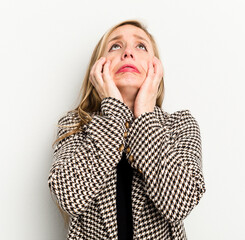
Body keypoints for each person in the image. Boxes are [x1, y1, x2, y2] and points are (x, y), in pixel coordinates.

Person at [48, 19, 206, 240]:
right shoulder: (74, 125)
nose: (128, 53)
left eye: (141, 46)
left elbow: (180, 203)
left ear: (155, 66)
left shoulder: (180, 124)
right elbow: (70, 197)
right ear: (98, 67)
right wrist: (114, 112)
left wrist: (144, 115)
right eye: (115, 46)